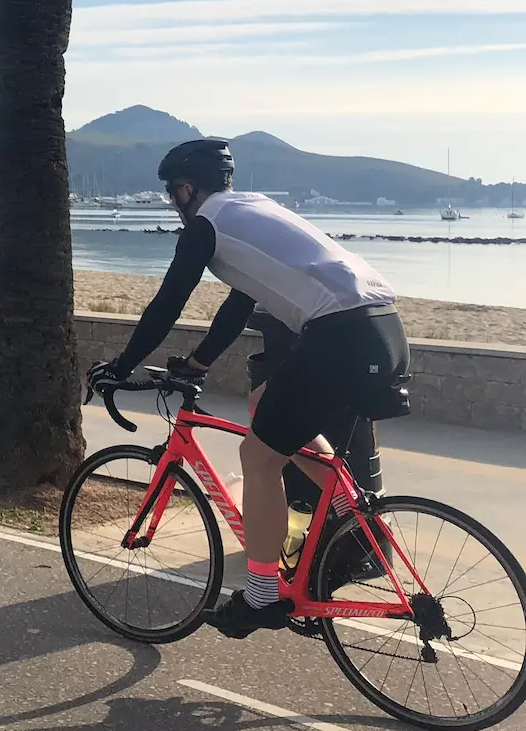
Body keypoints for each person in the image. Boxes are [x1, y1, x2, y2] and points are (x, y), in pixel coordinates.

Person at [90, 138, 410, 639]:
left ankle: (261, 597)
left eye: (173, 192)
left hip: (341, 336)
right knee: (264, 402)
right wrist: (197, 362)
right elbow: (239, 306)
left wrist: (120, 365)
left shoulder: (205, 225)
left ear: (187, 189)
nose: (173, 203)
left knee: (258, 456)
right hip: (382, 328)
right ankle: (347, 510)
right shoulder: (253, 212)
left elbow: (168, 302)